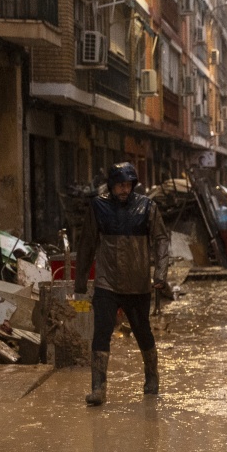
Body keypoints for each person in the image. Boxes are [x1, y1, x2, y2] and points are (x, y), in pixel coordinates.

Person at [75, 162, 170, 406]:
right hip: (107, 283)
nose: (124, 190)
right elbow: (87, 243)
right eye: (119, 185)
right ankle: (98, 388)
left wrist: (160, 273)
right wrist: (81, 280)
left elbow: (160, 240)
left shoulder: (147, 207)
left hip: (138, 284)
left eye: (128, 185)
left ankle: (152, 376)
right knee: (102, 332)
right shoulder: (98, 207)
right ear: (111, 186)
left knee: (143, 332)